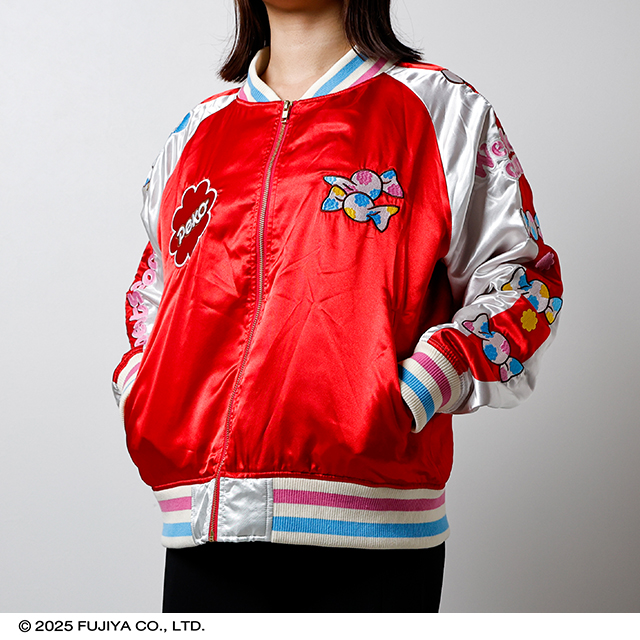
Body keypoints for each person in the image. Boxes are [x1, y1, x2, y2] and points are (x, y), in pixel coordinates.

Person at [112, 0, 563, 613]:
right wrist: (142, 389)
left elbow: (524, 283)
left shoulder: (440, 109)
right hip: (203, 526)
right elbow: (154, 297)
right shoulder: (197, 134)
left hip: (374, 536)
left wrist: (420, 385)